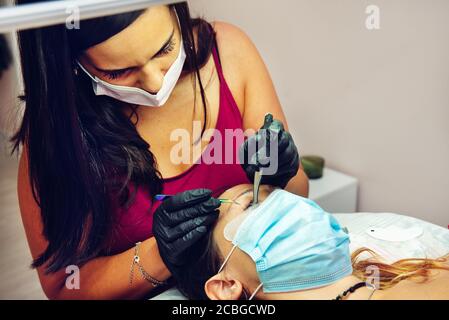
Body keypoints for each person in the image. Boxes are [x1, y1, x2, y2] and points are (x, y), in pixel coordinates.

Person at [12, 1, 308, 299]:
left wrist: (282, 174)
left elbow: (297, 193)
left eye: (165, 48)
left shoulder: (230, 52)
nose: (155, 84)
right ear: (73, 62)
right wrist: (158, 255)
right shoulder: (58, 134)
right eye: (119, 71)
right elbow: (65, 288)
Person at [168, 184, 449, 300]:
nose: (286, 205)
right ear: (227, 286)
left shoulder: (428, 272)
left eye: (274, 193)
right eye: (251, 205)